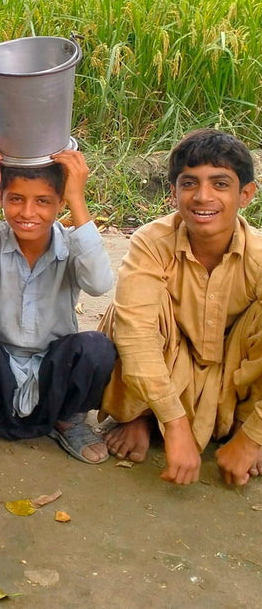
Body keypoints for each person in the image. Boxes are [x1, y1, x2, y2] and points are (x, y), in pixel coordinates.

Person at [0, 143, 117, 463]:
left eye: (44, 201)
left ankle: (68, 420)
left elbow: (100, 284)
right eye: (15, 199)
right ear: (2, 199)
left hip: (53, 372)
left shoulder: (71, 246)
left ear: (60, 203)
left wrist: (77, 197)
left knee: (97, 347)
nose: (28, 213)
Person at [100, 129, 262, 486]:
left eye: (220, 184)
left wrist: (253, 439)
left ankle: (245, 432)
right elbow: (137, 335)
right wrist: (174, 425)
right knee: (125, 314)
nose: (203, 197)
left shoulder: (258, 256)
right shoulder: (151, 243)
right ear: (173, 193)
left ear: (245, 195)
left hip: (228, 371)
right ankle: (140, 416)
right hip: (172, 357)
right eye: (190, 184)